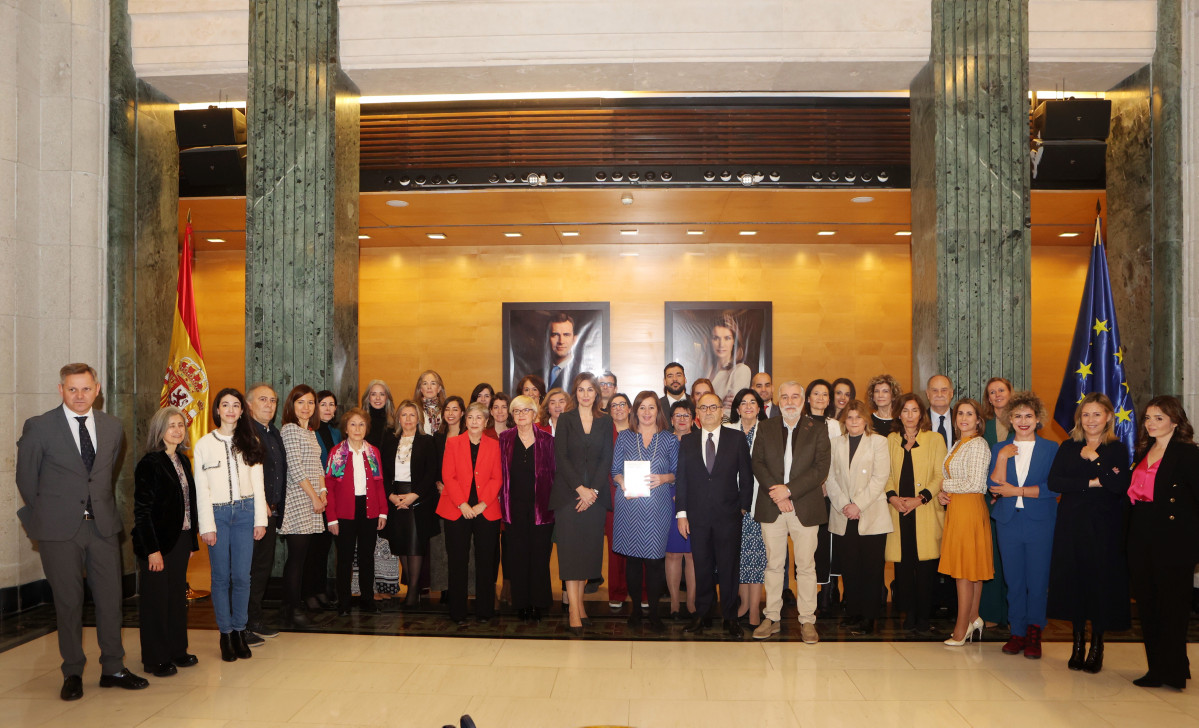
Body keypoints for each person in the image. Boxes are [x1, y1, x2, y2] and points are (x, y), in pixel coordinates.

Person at [16, 363, 149, 698]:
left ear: (97, 389)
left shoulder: (112, 426)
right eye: (72, 389)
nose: (79, 396)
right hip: (59, 531)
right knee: (69, 602)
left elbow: (103, 476)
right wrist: (44, 519)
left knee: (110, 600)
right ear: (61, 389)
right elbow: (26, 481)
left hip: (102, 526)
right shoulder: (40, 427)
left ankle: (113, 667)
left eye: (86, 389)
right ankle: (72, 671)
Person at [1047, 393, 1130, 674]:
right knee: (1075, 583)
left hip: (1103, 526)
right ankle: (1078, 643)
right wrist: (1092, 482)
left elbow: (1118, 485)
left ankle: (1097, 645)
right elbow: (1055, 482)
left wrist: (1095, 459)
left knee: (1099, 584)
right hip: (1072, 524)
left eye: (1097, 414)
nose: (1091, 420)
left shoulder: (1117, 449)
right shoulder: (1069, 446)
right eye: (1086, 414)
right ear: (1079, 419)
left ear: (1108, 417)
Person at [1126, 396, 1199, 690]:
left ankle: (1172, 670)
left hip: (1174, 540)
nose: (1151, 423)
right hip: (1142, 535)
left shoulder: (1188, 453)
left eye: (1158, 417)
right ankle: (1160, 666)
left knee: (1173, 606)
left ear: (1175, 420)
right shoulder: (1145, 449)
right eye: (1147, 418)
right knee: (1148, 604)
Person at [751, 381, 831, 643]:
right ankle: (771, 617)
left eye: (794, 396)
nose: (789, 401)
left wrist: (789, 492)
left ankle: (807, 620)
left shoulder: (818, 429)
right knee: (774, 565)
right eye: (784, 397)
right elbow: (758, 463)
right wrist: (778, 493)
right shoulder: (766, 426)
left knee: (806, 567)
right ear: (777, 400)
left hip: (804, 506)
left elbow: (820, 469)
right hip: (772, 505)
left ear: (803, 399)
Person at [193, 388, 268, 660]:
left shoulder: (251, 441)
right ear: (217, 410)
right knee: (221, 577)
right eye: (225, 405)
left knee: (242, 577)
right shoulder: (204, 444)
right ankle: (225, 633)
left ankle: (239, 629)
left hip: (246, 513)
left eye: (235, 405)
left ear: (241, 411)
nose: (230, 410)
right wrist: (207, 525)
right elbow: (201, 490)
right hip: (218, 515)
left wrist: (260, 519)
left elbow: (258, 485)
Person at [987, 391, 1059, 659]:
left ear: (1038, 419)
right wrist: (1004, 457)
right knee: (1014, 580)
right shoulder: (999, 448)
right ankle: (1016, 632)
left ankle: (1034, 633)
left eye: (1029, 415)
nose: (1023, 420)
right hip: (1008, 522)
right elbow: (994, 487)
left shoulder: (1051, 448)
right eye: (1017, 416)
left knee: (1037, 581)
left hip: (1040, 522)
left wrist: (1016, 491)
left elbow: (1053, 487)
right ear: (1010, 419)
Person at [676, 392, 754, 639]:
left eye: (713, 407)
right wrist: (682, 514)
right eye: (703, 407)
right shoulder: (687, 441)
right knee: (702, 567)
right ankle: (702, 615)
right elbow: (682, 481)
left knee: (729, 567)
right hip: (697, 517)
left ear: (722, 411)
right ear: (696, 414)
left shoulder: (736, 438)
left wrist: (742, 507)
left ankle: (730, 617)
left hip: (729, 516)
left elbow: (747, 476)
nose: (708, 411)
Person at [132, 406, 200, 678]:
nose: (177, 430)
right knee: (156, 602)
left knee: (175, 598)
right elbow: (142, 511)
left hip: (181, 539)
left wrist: (191, 542)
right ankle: (155, 658)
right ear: (159, 430)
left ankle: (177, 650)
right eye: (171, 425)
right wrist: (152, 551)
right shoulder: (149, 464)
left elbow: (188, 505)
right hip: (157, 544)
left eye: (180, 425)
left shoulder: (183, 461)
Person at [550, 372, 614, 634]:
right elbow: (561, 457)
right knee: (570, 554)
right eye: (581, 390)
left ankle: (581, 605)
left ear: (596, 394)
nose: (585, 394)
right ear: (574, 393)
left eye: (590, 390)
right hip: (569, 496)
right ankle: (574, 610)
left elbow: (606, 458)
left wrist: (593, 492)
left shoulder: (605, 421)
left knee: (588, 554)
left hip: (595, 500)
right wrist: (580, 489)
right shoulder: (565, 419)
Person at [611, 391, 679, 633]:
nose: (647, 413)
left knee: (654, 562)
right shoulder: (624, 437)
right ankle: (636, 611)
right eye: (642, 408)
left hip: (657, 510)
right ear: (635, 411)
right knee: (632, 560)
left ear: (658, 411)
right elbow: (615, 471)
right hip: (629, 507)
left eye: (652, 408)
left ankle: (655, 614)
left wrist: (664, 478)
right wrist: (622, 481)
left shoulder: (670, 439)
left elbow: (677, 473)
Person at [825, 399, 892, 635]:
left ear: (866, 419)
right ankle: (853, 613)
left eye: (858, 417)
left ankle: (868, 617)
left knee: (871, 570)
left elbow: (880, 478)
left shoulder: (879, 442)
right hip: (843, 515)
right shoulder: (834, 443)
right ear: (845, 420)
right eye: (850, 417)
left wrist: (858, 505)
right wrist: (845, 504)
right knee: (849, 569)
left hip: (871, 515)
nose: (854, 422)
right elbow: (830, 478)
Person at [884, 393, 947, 633]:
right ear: (898, 414)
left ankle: (923, 617)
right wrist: (893, 497)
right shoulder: (891, 439)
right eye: (905, 410)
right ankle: (908, 614)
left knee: (925, 567)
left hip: (925, 510)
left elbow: (940, 475)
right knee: (903, 565)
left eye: (914, 410)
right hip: (898, 510)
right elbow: (885, 473)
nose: (910, 415)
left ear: (922, 414)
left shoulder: (934, 439)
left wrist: (920, 499)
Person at [437, 402, 503, 625]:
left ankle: (484, 611)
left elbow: (497, 478)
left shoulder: (494, 445)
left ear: (486, 422)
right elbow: (449, 475)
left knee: (486, 561)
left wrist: (482, 504)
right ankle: (458, 612)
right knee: (457, 561)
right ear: (465, 421)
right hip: (457, 509)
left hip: (486, 509)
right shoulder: (453, 443)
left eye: (479, 418)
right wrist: (462, 504)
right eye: (471, 418)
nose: (474, 422)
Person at [937, 398, 994, 646]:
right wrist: (942, 494)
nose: (964, 418)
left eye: (969, 414)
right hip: (957, 508)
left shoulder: (978, 444)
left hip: (970, 509)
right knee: (970, 569)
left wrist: (942, 485)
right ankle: (973, 618)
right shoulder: (960, 443)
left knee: (965, 570)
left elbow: (975, 484)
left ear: (978, 420)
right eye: (960, 413)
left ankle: (961, 629)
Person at [323, 408, 388, 616]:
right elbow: (329, 487)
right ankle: (344, 602)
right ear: (346, 428)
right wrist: (331, 518)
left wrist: (383, 512)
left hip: (369, 511)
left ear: (367, 428)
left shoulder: (373, 452)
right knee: (345, 558)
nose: (357, 428)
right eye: (353, 424)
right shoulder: (337, 453)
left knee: (368, 557)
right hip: (344, 513)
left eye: (361, 424)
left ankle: (367, 599)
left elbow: (379, 485)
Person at [499, 395, 556, 621]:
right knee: (518, 557)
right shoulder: (504, 439)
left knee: (540, 557)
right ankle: (521, 603)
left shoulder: (548, 440)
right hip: (513, 508)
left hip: (542, 509)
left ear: (534, 414)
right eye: (517, 411)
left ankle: (539, 603)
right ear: (512, 416)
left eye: (526, 411)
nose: (521, 415)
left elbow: (555, 475)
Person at [381, 400, 440, 609]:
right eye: (404, 415)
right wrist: (391, 496)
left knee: (415, 545)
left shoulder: (427, 441)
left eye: (412, 415)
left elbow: (431, 472)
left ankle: (414, 591)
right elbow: (384, 473)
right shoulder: (390, 441)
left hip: (419, 499)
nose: (408, 419)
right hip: (396, 499)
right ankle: (410, 589)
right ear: (399, 418)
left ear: (418, 419)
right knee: (401, 545)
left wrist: (414, 495)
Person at [278, 385, 329, 626]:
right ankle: (292, 608)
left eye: (310, 403)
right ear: (291, 405)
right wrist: (314, 497)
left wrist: (323, 491)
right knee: (297, 558)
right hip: (298, 499)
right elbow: (296, 468)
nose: (306, 407)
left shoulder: (310, 431)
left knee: (303, 556)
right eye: (301, 402)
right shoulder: (289, 430)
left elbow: (318, 466)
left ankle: (289, 604)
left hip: (312, 498)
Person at [245, 383, 285, 640]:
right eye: (263, 399)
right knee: (245, 570)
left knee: (261, 568)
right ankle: (241, 624)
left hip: (270, 513)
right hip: (250, 514)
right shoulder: (245, 435)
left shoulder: (273, 433)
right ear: (249, 405)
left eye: (272, 400)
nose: (269, 405)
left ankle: (254, 619)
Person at [727, 388, 768, 629]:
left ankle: (754, 610)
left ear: (760, 407)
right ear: (737, 408)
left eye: (753, 402)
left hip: (760, 505)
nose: (749, 406)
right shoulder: (729, 431)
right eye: (744, 402)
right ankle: (742, 604)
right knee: (738, 559)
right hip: (732, 505)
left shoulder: (769, 431)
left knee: (757, 560)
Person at [803, 378, 843, 613]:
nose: (820, 398)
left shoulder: (835, 425)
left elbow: (836, 460)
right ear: (808, 398)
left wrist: (827, 483)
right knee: (812, 544)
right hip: (807, 492)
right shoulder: (800, 423)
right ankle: (814, 593)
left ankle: (829, 592)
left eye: (824, 394)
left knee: (831, 541)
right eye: (815, 394)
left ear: (829, 400)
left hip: (830, 491)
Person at [979, 376, 1014, 629]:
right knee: (991, 556)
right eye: (992, 392)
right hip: (989, 499)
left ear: (1010, 393)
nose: (997, 395)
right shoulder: (985, 426)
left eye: (1001, 390)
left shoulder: (1023, 423)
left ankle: (1014, 614)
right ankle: (991, 612)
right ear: (988, 399)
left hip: (1016, 497)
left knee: (1012, 558)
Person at [305, 389, 341, 612]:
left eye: (332, 404)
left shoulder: (336, 433)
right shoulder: (308, 431)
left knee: (324, 546)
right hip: (312, 495)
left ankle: (319, 589)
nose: (328, 408)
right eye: (323, 404)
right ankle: (308, 592)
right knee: (312, 548)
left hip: (331, 496)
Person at [430, 396, 466, 601]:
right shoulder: (438, 437)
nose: (451, 413)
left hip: (464, 499)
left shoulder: (468, 435)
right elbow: (434, 465)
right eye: (447, 410)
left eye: (455, 409)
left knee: (462, 546)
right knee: (442, 545)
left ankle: (462, 589)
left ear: (462, 412)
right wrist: (438, 483)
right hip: (442, 496)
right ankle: (445, 588)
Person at [666, 399, 698, 619]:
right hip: (667, 502)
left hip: (696, 502)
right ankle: (675, 603)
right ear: (671, 420)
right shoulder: (664, 441)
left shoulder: (701, 440)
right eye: (678, 415)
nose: (682, 420)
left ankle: (692, 603)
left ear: (693, 419)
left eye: (686, 415)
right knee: (673, 554)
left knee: (693, 555)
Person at [604, 391, 633, 609]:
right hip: (612, 493)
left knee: (640, 542)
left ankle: (641, 591)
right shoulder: (604, 432)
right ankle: (616, 591)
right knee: (615, 545)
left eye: (622, 404)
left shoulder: (639, 430)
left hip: (638, 493)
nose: (618, 408)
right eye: (614, 405)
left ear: (630, 408)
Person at [704, 314, 753, 415]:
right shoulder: (705, 369)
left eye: (727, 338)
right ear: (710, 341)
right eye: (716, 338)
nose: (721, 344)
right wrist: (721, 403)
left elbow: (732, 411)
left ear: (734, 341)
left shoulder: (741, 370)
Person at [545, 313, 580, 391]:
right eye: (555, 335)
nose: (561, 341)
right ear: (548, 338)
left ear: (575, 339)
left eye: (566, 335)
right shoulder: (538, 375)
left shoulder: (581, 373)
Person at [361, 379, 396, 450]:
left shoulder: (394, 423)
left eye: (382, 394)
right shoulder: (360, 422)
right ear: (368, 397)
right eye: (373, 394)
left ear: (387, 398)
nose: (378, 398)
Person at [926, 375, 956, 451]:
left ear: (951, 393)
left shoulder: (961, 421)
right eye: (934, 390)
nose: (939, 395)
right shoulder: (918, 421)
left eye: (944, 390)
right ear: (928, 394)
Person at [415, 370, 447, 435]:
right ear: (420, 389)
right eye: (425, 383)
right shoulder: (414, 409)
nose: (429, 387)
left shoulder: (446, 409)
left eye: (433, 383)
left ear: (439, 388)